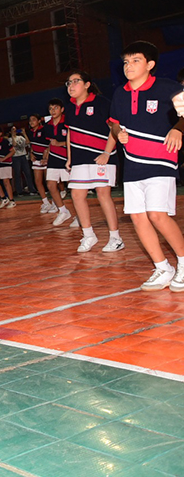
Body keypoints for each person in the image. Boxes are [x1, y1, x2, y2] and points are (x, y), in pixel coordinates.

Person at [109, 41, 184, 291]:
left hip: (161, 160)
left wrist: (177, 129)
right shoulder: (120, 93)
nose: (129, 66)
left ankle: (183, 262)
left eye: (136, 61)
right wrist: (118, 132)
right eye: (126, 62)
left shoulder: (166, 87)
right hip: (132, 164)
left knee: (157, 215)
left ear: (150, 64)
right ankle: (162, 267)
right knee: (139, 218)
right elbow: (114, 122)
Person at [65, 71, 124, 253]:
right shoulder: (69, 107)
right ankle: (89, 234)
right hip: (80, 158)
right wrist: (69, 157)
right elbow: (70, 133)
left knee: (102, 194)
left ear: (87, 84)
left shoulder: (101, 103)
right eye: (68, 83)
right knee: (76, 195)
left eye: (76, 81)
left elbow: (114, 128)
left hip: (102, 156)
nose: (71, 86)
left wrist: (107, 152)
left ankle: (115, 238)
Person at [45, 99, 77, 227]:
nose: (53, 111)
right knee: (51, 185)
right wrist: (47, 153)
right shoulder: (47, 125)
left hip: (66, 158)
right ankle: (63, 211)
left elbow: (74, 140)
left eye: (55, 108)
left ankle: (79, 215)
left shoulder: (67, 122)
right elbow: (49, 142)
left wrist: (61, 144)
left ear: (62, 109)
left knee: (73, 188)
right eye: (51, 108)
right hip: (53, 158)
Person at [28, 113, 55, 213]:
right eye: (30, 120)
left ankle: (55, 203)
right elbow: (31, 145)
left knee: (49, 182)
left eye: (34, 120)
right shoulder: (30, 132)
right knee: (38, 182)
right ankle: (45, 202)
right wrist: (31, 153)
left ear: (39, 121)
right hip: (36, 159)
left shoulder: (44, 130)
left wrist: (47, 155)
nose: (31, 122)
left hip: (46, 159)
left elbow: (50, 143)